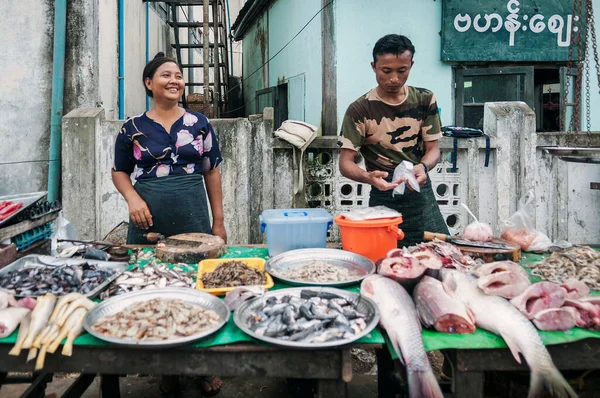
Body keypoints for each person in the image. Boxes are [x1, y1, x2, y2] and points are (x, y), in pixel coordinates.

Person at [111, 52, 225, 397]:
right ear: (149, 83)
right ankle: (165, 369)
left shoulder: (199, 123)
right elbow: (119, 171)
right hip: (148, 216)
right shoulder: (131, 128)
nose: (174, 80)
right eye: (165, 75)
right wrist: (133, 199)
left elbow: (212, 170)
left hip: (193, 213)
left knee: (198, 287)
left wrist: (218, 222)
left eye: (178, 75)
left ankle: (203, 366)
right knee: (151, 287)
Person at [338, 34, 449, 247]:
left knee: (436, 252)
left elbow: (433, 149)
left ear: (411, 65)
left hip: (419, 187)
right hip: (383, 190)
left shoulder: (425, 99)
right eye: (386, 71)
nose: (394, 79)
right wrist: (369, 177)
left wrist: (423, 167)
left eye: (402, 70)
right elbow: (345, 163)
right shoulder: (360, 109)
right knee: (384, 255)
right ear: (374, 66)